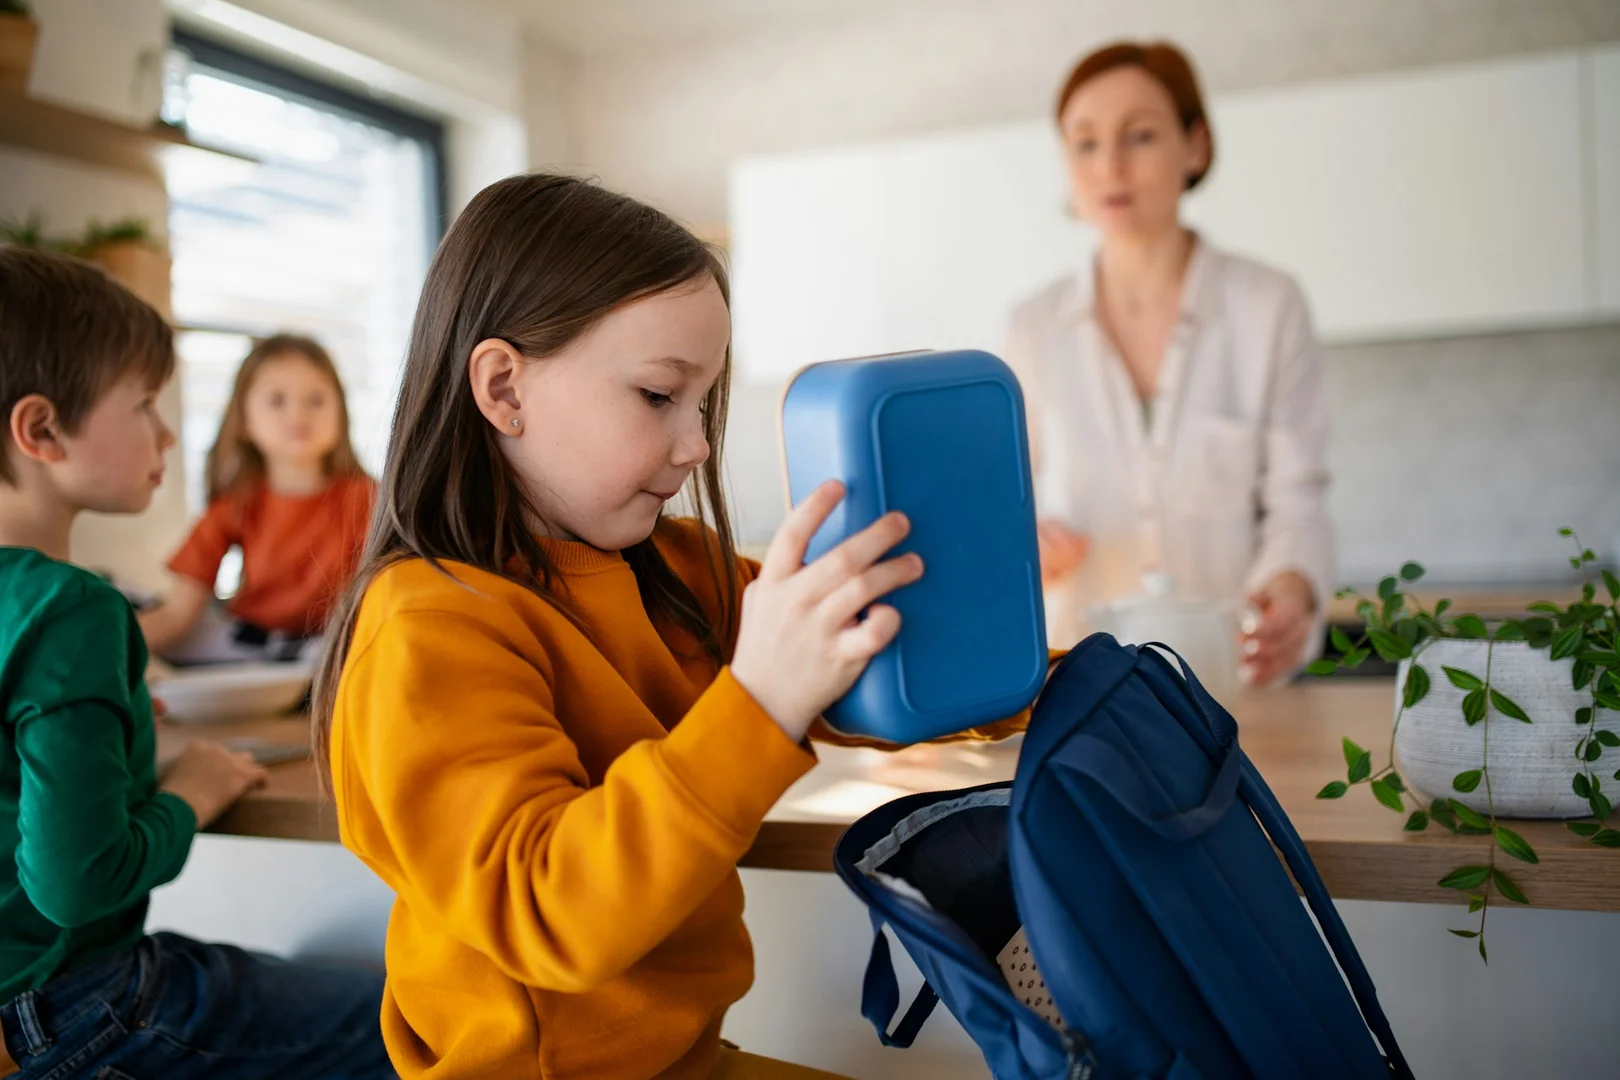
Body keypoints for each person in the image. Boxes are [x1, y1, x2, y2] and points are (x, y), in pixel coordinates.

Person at [315, 174, 1032, 1080]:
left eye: (703, 403)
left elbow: (866, 651)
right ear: (504, 388)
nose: (696, 444)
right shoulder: (427, 629)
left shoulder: (677, 569)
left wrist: (1063, 678)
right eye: (660, 396)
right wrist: (759, 702)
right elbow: (546, 909)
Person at [0, 248, 394, 1078]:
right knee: (418, 1025)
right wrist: (192, 792)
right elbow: (76, 883)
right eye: (143, 403)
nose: (169, 431)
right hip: (76, 1007)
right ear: (41, 429)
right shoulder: (71, 610)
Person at [1005, 40, 1334, 686]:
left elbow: (1298, 499)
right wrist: (1028, 546)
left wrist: (1291, 588)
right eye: (1085, 143)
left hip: (1233, 690)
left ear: (1196, 146)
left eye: (1141, 136)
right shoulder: (1032, 327)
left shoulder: (1268, 306)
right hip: (1078, 692)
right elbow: (1008, 512)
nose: (1110, 166)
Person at [138, 334, 374, 664]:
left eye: (316, 399)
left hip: (337, 643)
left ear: (341, 414)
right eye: (277, 400)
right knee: (120, 599)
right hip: (249, 638)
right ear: (245, 421)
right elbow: (179, 614)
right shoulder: (236, 504)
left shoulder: (368, 499)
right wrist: (89, 644)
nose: (298, 414)